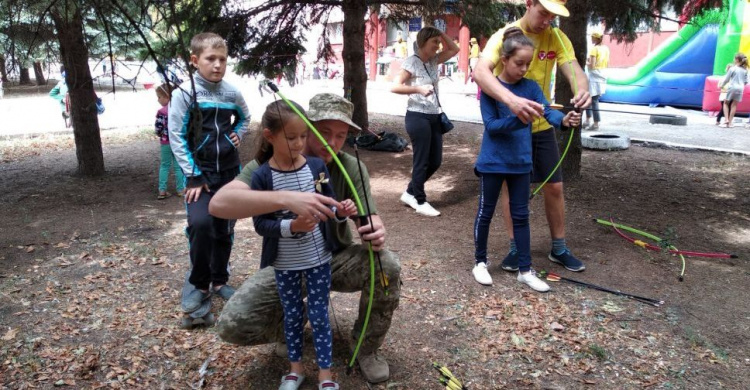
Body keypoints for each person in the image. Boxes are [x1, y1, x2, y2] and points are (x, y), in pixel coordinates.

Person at [212, 93, 400, 384]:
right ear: (305, 128)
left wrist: (374, 228)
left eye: (341, 136)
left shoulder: (350, 166)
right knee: (233, 325)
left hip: (332, 258)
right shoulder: (271, 164)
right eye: (324, 133)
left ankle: (367, 349)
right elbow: (219, 204)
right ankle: (292, 326)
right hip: (286, 264)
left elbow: (367, 217)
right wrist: (287, 198)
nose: (333, 143)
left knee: (386, 265)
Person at [473, 0, 591, 273]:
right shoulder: (505, 36)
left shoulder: (557, 38)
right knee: (513, 190)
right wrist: (512, 102)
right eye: (544, 12)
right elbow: (480, 72)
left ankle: (559, 248)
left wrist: (581, 90)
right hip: (512, 126)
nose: (548, 19)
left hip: (540, 127)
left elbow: (575, 72)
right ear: (529, 4)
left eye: (553, 15)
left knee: (555, 186)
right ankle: (516, 250)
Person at [250, 100, 357, 390]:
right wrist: (292, 226)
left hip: (318, 259)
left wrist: (341, 210)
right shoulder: (263, 176)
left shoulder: (316, 166)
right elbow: (261, 225)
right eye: (291, 137)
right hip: (285, 263)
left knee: (320, 315)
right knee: (293, 314)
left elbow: (329, 205)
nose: (299, 143)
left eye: (302, 136)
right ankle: (295, 370)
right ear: (270, 136)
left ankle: (326, 375)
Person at [168, 32, 251, 311]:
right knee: (201, 225)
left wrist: (237, 133)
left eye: (222, 59)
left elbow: (245, 116)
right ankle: (200, 284)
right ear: (195, 60)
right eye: (210, 59)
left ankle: (219, 280)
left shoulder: (231, 92)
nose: (217, 65)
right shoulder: (184, 93)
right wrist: (193, 174)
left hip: (229, 173)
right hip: (199, 175)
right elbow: (176, 136)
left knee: (224, 228)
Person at [391, 26, 460, 217]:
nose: (438, 46)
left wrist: (441, 33)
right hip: (417, 116)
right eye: (434, 42)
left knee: (435, 161)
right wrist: (418, 90)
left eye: (438, 43)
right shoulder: (412, 62)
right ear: (422, 43)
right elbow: (395, 87)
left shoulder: (434, 61)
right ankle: (420, 201)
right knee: (421, 161)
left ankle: (410, 192)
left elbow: (455, 49)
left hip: (434, 116)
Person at [154, 83, 185, 200]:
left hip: (165, 143)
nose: (158, 100)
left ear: (167, 96)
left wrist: (159, 134)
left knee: (165, 165)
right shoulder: (178, 110)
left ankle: (162, 190)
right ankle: (181, 190)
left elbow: (158, 128)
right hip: (177, 142)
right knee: (178, 166)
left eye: (159, 97)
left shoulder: (162, 112)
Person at [584, 31, 609, 130]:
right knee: (594, 100)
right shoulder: (606, 49)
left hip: (594, 77)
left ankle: (594, 122)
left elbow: (592, 65)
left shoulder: (594, 49)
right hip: (602, 75)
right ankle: (589, 121)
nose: (591, 39)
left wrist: (585, 61)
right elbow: (607, 63)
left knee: (591, 100)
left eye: (592, 37)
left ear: (596, 38)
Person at [718, 53, 748, 128]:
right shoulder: (745, 70)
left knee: (726, 103)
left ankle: (726, 120)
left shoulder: (732, 68)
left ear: (737, 60)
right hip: (741, 88)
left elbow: (727, 79)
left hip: (732, 87)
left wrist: (722, 85)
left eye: (734, 59)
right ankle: (730, 123)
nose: (734, 60)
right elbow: (746, 82)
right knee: (734, 105)